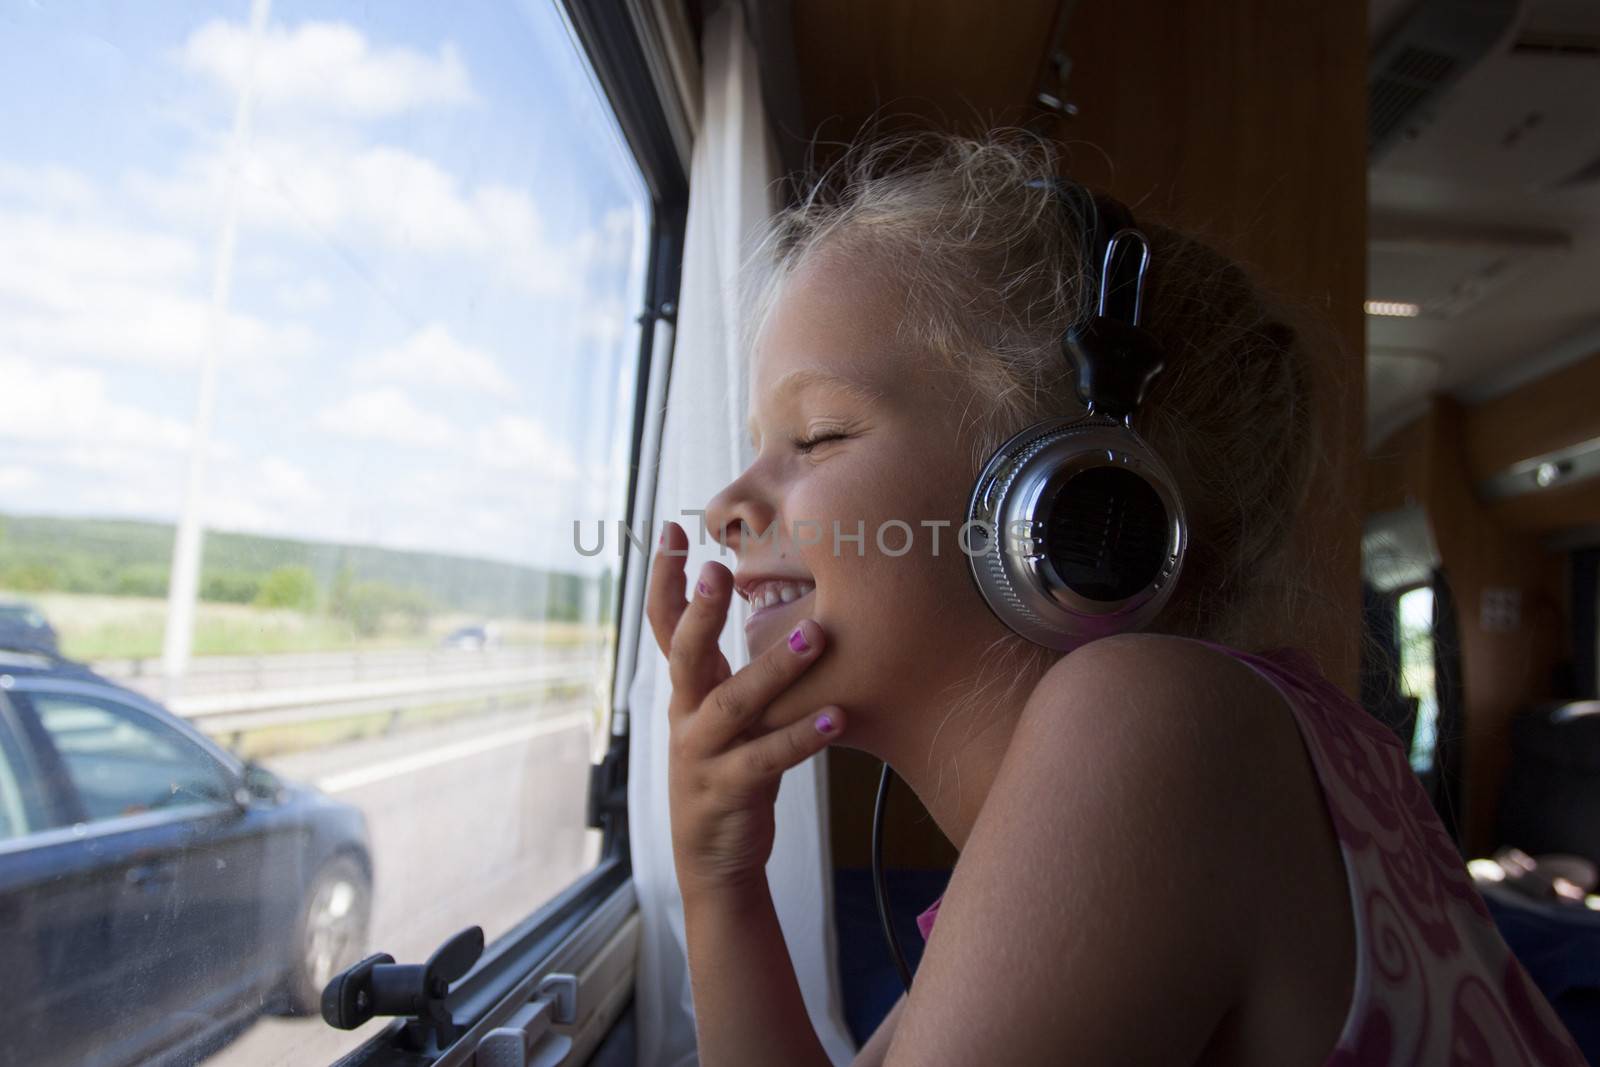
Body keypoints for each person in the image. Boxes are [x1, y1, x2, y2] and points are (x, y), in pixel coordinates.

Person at [644, 130, 1587, 1066]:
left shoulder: (1149, 725)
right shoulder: (1145, 766)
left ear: (1060, 498)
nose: (727, 503)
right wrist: (721, 882)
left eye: (817, 435)